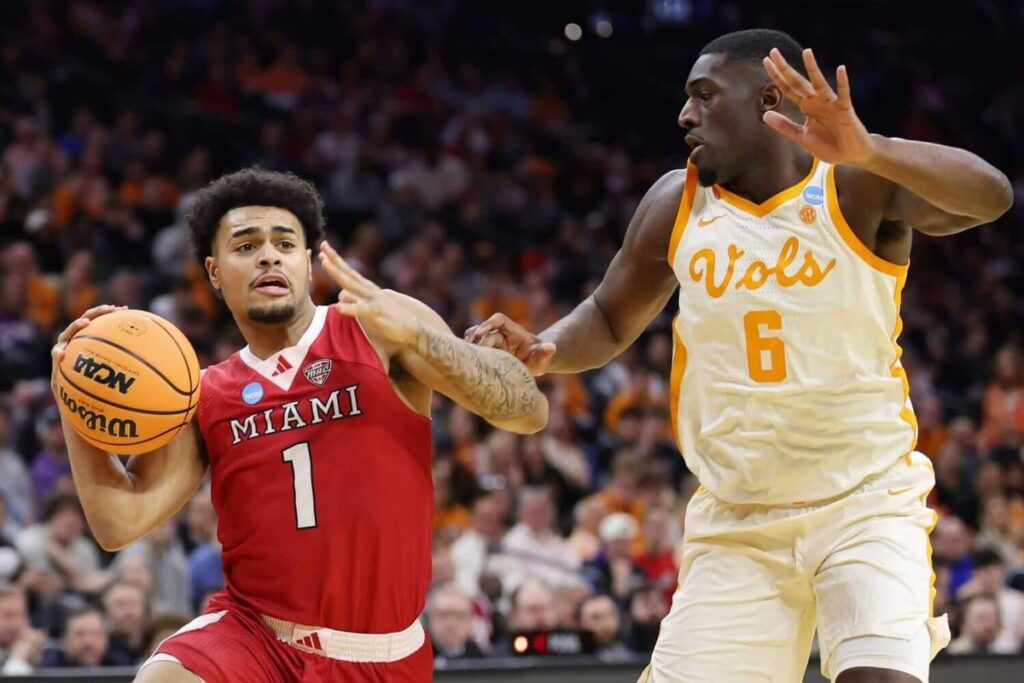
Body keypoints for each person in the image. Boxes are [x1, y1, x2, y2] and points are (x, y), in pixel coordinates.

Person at [466, 28, 1013, 683]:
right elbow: (610, 315)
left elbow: (992, 196)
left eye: (704, 95)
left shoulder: (854, 184)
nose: (684, 114)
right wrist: (549, 347)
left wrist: (872, 148)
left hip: (864, 500)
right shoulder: (675, 202)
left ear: (768, 101)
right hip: (738, 517)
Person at [51, 168, 548, 682]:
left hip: (386, 654)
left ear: (308, 264)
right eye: (246, 246)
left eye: (285, 243)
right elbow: (119, 522)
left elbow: (528, 412)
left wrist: (422, 340)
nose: (269, 255)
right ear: (214, 272)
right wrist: (74, 395)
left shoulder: (379, 325)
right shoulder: (204, 395)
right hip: (256, 639)